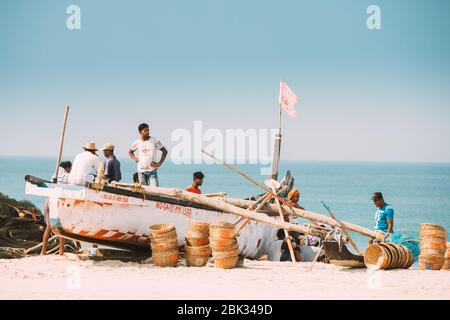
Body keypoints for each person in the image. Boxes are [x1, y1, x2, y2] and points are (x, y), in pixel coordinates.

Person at [128, 123, 168, 187]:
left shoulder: (154, 140)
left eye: (148, 130)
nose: (148, 132)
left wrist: (159, 163)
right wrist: (135, 159)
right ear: (140, 132)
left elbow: (165, 151)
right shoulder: (137, 142)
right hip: (141, 171)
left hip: (152, 171)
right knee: (144, 192)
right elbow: (130, 152)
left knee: (155, 192)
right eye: (145, 130)